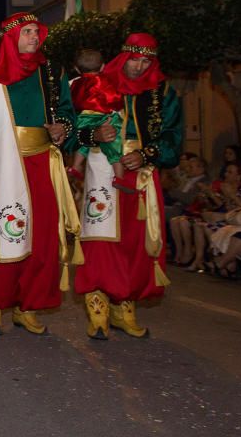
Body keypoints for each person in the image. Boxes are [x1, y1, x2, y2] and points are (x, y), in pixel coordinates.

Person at [0, 12, 80, 336]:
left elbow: (68, 115)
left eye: (37, 32)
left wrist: (63, 130)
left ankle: (27, 306)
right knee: (0, 232)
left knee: (41, 237)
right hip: (1, 163)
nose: (35, 37)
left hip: (42, 161)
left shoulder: (51, 72)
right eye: (28, 32)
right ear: (11, 36)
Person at [75, 33, 183, 339]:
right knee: (100, 241)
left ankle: (125, 306)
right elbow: (74, 128)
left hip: (142, 175)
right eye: (134, 59)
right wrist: (93, 137)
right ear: (123, 56)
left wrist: (146, 153)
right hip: (101, 170)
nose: (139, 66)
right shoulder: (98, 83)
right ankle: (97, 306)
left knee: (137, 244)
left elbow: (173, 138)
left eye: (146, 61)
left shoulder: (164, 94)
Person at [68, 49, 128, 191]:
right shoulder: (105, 82)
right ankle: (119, 177)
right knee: (115, 144)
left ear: (76, 69)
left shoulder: (73, 84)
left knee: (83, 141)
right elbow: (114, 99)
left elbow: (70, 105)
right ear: (103, 66)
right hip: (103, 117)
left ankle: (76, 166)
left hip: (83, 118)